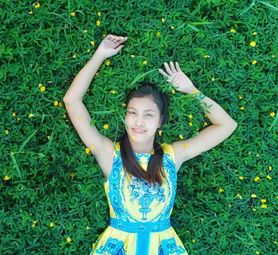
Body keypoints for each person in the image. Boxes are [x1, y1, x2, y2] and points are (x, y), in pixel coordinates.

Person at [63, 34, 237, 255]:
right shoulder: (109, 155)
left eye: (148, 115)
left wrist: (191, 90)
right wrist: (100, 55)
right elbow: (71, 101)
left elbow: (226, 126)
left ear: (160, 121)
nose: (138, 122)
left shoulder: (173, 156)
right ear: (124, 117)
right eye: (132, 113)